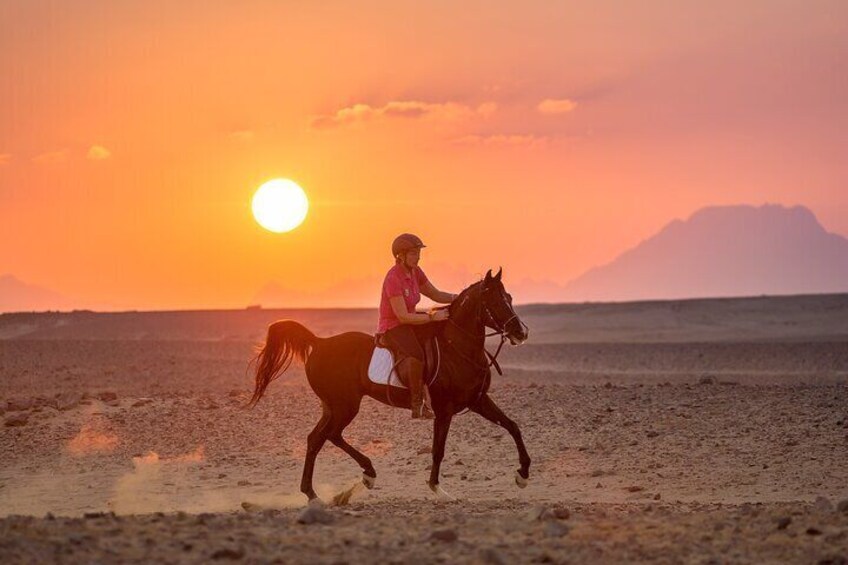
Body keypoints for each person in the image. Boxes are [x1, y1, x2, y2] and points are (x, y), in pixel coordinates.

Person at [377, 233, 457, 419]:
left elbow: (436, 294)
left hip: (413, 319)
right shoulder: (393, 278)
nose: (418, 257)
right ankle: (417, 403)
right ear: (400, 256)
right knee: (417, 354)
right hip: (393, 326)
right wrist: (432, 317)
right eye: (413, 253)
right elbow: (403, 317)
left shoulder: (415, 272)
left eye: (418, 253)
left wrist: (459, 298)